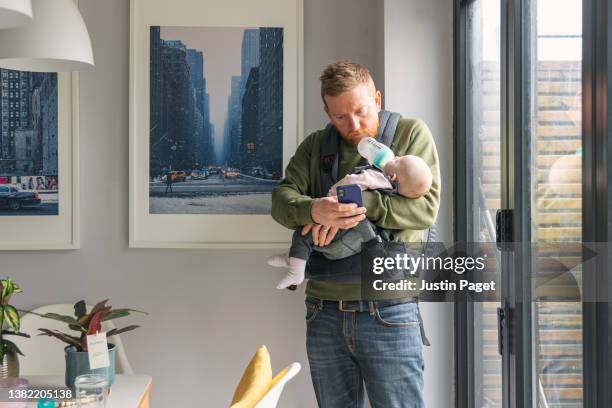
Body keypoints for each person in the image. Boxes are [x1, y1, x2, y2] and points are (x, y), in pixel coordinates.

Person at [271, 60, 440, 407]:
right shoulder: (316, 146)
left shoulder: (410, 135)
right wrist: (314, 209)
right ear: (326, 112)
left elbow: (425, 211)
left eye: (361, 111)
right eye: (340, 117)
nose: (355, 125)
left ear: (376, 98)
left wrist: (361, 204)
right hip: (324, 311)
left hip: (389, 310)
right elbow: (281, 200)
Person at [268, 154, 433, 289]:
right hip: (358, 244)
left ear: (393, 176)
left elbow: (351, 183)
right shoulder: (395, 191)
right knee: (315, 243)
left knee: (303, 234)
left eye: (397, 160)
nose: (395, 156)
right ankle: (294, 260)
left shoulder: (377, 176)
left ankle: (295, 270)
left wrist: (329, 200)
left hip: (347, 230)